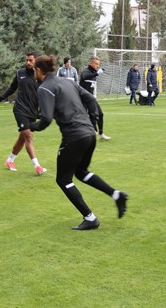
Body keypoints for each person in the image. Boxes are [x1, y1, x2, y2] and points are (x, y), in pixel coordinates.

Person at [30, 55, 128, 230]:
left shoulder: (44, 88)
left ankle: (90, 218)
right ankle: (116, 194)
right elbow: (91, 99)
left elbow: (45, 119)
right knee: (81, 172)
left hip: (74, 136)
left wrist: (32, 126)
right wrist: (92, 121)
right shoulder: (68, 82)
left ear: (39, 70)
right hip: (89, 134)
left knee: (63, 179)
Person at [0, 52, 47, 175]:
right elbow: (12, 88)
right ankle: (37, 166)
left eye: (30, 60)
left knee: (22, 138)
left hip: (33, 111)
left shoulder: (41, 75)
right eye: (26, 60)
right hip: (20, 109)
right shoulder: (20, 73)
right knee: (28, 136)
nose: (28, 62)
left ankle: (10, 160)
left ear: (36, 62)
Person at [79, 56, 110, 140]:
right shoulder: (86, 71)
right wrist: (96, 73)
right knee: (86, 116)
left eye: (98, 64)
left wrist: (96, 73)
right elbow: (84, 77)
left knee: (100, 114)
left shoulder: (94, 73)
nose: (97, 66)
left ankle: (101, 133)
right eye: (96, 64)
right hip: (83, 99)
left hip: (91, 98)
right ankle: (89, 132)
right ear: (91, 63)